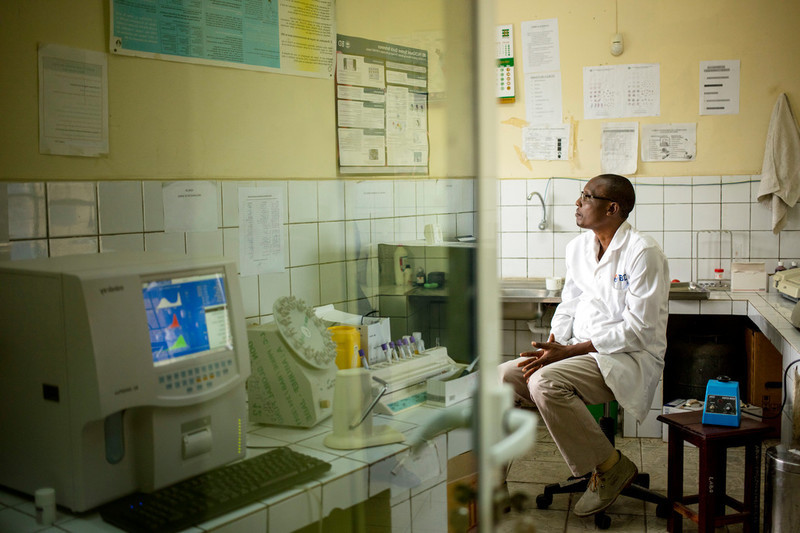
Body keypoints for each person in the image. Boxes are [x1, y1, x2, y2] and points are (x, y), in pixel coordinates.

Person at [498, 174, 669, 517]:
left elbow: (639, 330)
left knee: (545, 382)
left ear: (613, 208)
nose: (577, 203)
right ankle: (491, 481)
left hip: (626, 357)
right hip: (578, 350)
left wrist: (569, 353)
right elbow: (569, 303)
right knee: (503, 378)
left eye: (587, 197)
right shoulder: (577, 248)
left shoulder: (643, 253)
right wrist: (554, 345)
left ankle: (609, 467)